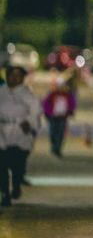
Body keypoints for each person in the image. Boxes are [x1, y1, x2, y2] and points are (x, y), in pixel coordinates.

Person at [0, 65, 40, 206]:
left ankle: (16, 184)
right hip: (2, 132)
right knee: (2, 165)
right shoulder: (2, 92)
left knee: (16, 164)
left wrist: (29, 124)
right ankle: (4, 193)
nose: (14, 78)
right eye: (12, 74)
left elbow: (35, 112)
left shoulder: (27, 95)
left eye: (18, 75)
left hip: (20, 133)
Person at [42, 77, 76, 158]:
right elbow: (45, 104)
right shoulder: (51, 94)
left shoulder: (68, 95)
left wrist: (70, 111)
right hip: (52, 117)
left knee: (60, 134)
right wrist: (47, 113)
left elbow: (72, 104)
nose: (60, 88)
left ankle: (57, 149)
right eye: (59, 86)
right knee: (52, 133)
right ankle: (53, 147)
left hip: (63, 117)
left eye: (62, 86)